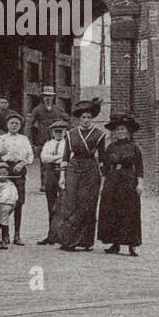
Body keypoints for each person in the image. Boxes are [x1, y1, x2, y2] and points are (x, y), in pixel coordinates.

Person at [54, 99, 106, 252]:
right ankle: (68, 240)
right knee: (70, 203)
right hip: (74, 169)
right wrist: (62, 176)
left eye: (89, 117)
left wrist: (102, 179)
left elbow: (102, 159)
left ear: (92, 118)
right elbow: (65, 156)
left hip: (91, 170)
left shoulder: (99, 134)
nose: (86, 120)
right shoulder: (71, 134)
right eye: (83, 117)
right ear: (79, 118)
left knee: (87, 204)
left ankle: (85, 241)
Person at [98, 114, 145, 257]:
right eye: (118, 129)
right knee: (113, 210)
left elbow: (139, 167)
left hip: (128, 180)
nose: (120, 132)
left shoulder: (134, 148)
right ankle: (115, 243)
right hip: (113, 180)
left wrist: (140, 183)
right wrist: (102, 185)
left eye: (123, 129)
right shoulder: (111, 147)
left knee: (129, 211)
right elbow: (105, 168)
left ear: (129, 131)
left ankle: (132, 245)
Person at [0, 113, 34, 245]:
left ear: (20, 126)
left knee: (18, 202)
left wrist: (22, 163)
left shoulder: (24, 139)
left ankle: (17, 234)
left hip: (19, 168)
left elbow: (30, 155)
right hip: (5, 169)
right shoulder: (1, 139)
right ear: (7, 125)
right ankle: (5, 234)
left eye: (17, 123)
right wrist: (0, 154)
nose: (14, 125)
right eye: (12, 123)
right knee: (4, 201)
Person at [36, 119, 68, 245]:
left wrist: (54, 158)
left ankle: (63, 235)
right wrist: (58, 158)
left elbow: (69, 157)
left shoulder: (68, 144)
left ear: (65, 132)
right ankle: (51, 235)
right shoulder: (48, 144)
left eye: (61, 131)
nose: (59, 134)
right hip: (51, 173)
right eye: (56, 132)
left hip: (64, 172)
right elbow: (44, 158)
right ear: (52, 133)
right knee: (51, 204)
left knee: (64, 203)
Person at [25, 86, 69, 154]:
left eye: (50, 96)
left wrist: (64, 130)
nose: (48, 98)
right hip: (42, 140)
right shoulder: (37, 109)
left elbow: (68, 120)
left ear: (53, 97)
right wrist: (30, 140)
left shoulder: (58, 109)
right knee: (44, 160)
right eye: (46, 96)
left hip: (56, 139)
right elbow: (29, 125)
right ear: (42, 97)